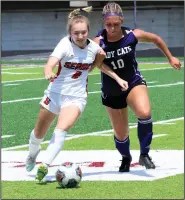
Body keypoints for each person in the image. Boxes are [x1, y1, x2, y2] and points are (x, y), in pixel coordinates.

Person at [25, 6, 128, 182]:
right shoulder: (65, 44)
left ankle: (44, 166)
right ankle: (33, 153)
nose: (80, 36)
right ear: (70, 33)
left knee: (61, 130)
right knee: (38, 134)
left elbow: (98, 65)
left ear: (88, 31)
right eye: (76, 33)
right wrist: (48, 71)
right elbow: (50, 63)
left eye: (83, 32)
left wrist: (118, 78)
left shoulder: (95, 48)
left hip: (76, 97)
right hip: (55, 94)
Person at [94, 2, 181, 172]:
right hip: (111, 89)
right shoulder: (98, 42)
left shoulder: (133, 35)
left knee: (144, 112)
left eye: (116, 24)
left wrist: (170, 57)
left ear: (122, 20)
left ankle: (144, 154)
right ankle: (126, 157)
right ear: (104, 23)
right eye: (109, 25)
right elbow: (97, 64)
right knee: (121, 134)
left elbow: (156, 39)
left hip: (133, 82)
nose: (112, 28)